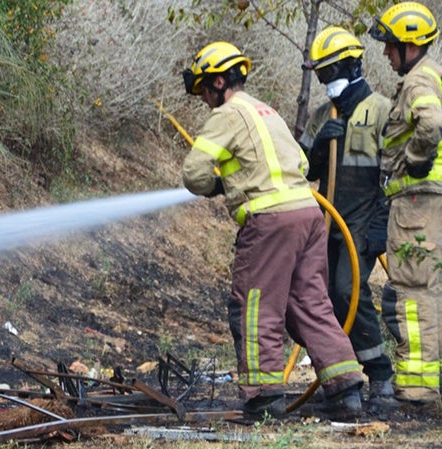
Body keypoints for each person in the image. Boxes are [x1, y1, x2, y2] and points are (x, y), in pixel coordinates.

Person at [181, 41, 365, 418]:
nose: (202, 97)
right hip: (307, 215)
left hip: (270, 222)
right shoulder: (268, 111)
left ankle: (264, 396)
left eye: (202, 87)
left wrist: (218, 186)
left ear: (218, 81)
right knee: (309, 302)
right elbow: (298, 159)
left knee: (254, 306)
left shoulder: (227, 115)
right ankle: (346, 389)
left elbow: (193, 173)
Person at [299, 26, 397, 409]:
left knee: (346, 290)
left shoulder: (382, 111)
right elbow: (303, 168)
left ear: (353, 66)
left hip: (362, 219)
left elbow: (394, 172)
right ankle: (343, 379)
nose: (327, 81)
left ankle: (381, 377)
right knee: (321, 296)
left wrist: (381, 222)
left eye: (331, 72)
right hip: (327, 220)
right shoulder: (322, 115)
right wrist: (321, 146)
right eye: (321, 74)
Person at [370, 1, 442, 405]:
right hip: (428, 204)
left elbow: (430, 124)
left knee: (413, 293)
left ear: (410, 47)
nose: (385, 52)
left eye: (390, 45)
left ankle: (417, 387)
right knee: (430, 290)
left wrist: (414, 161)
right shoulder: (431, 76)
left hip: (418, 204)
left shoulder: (419, 82)